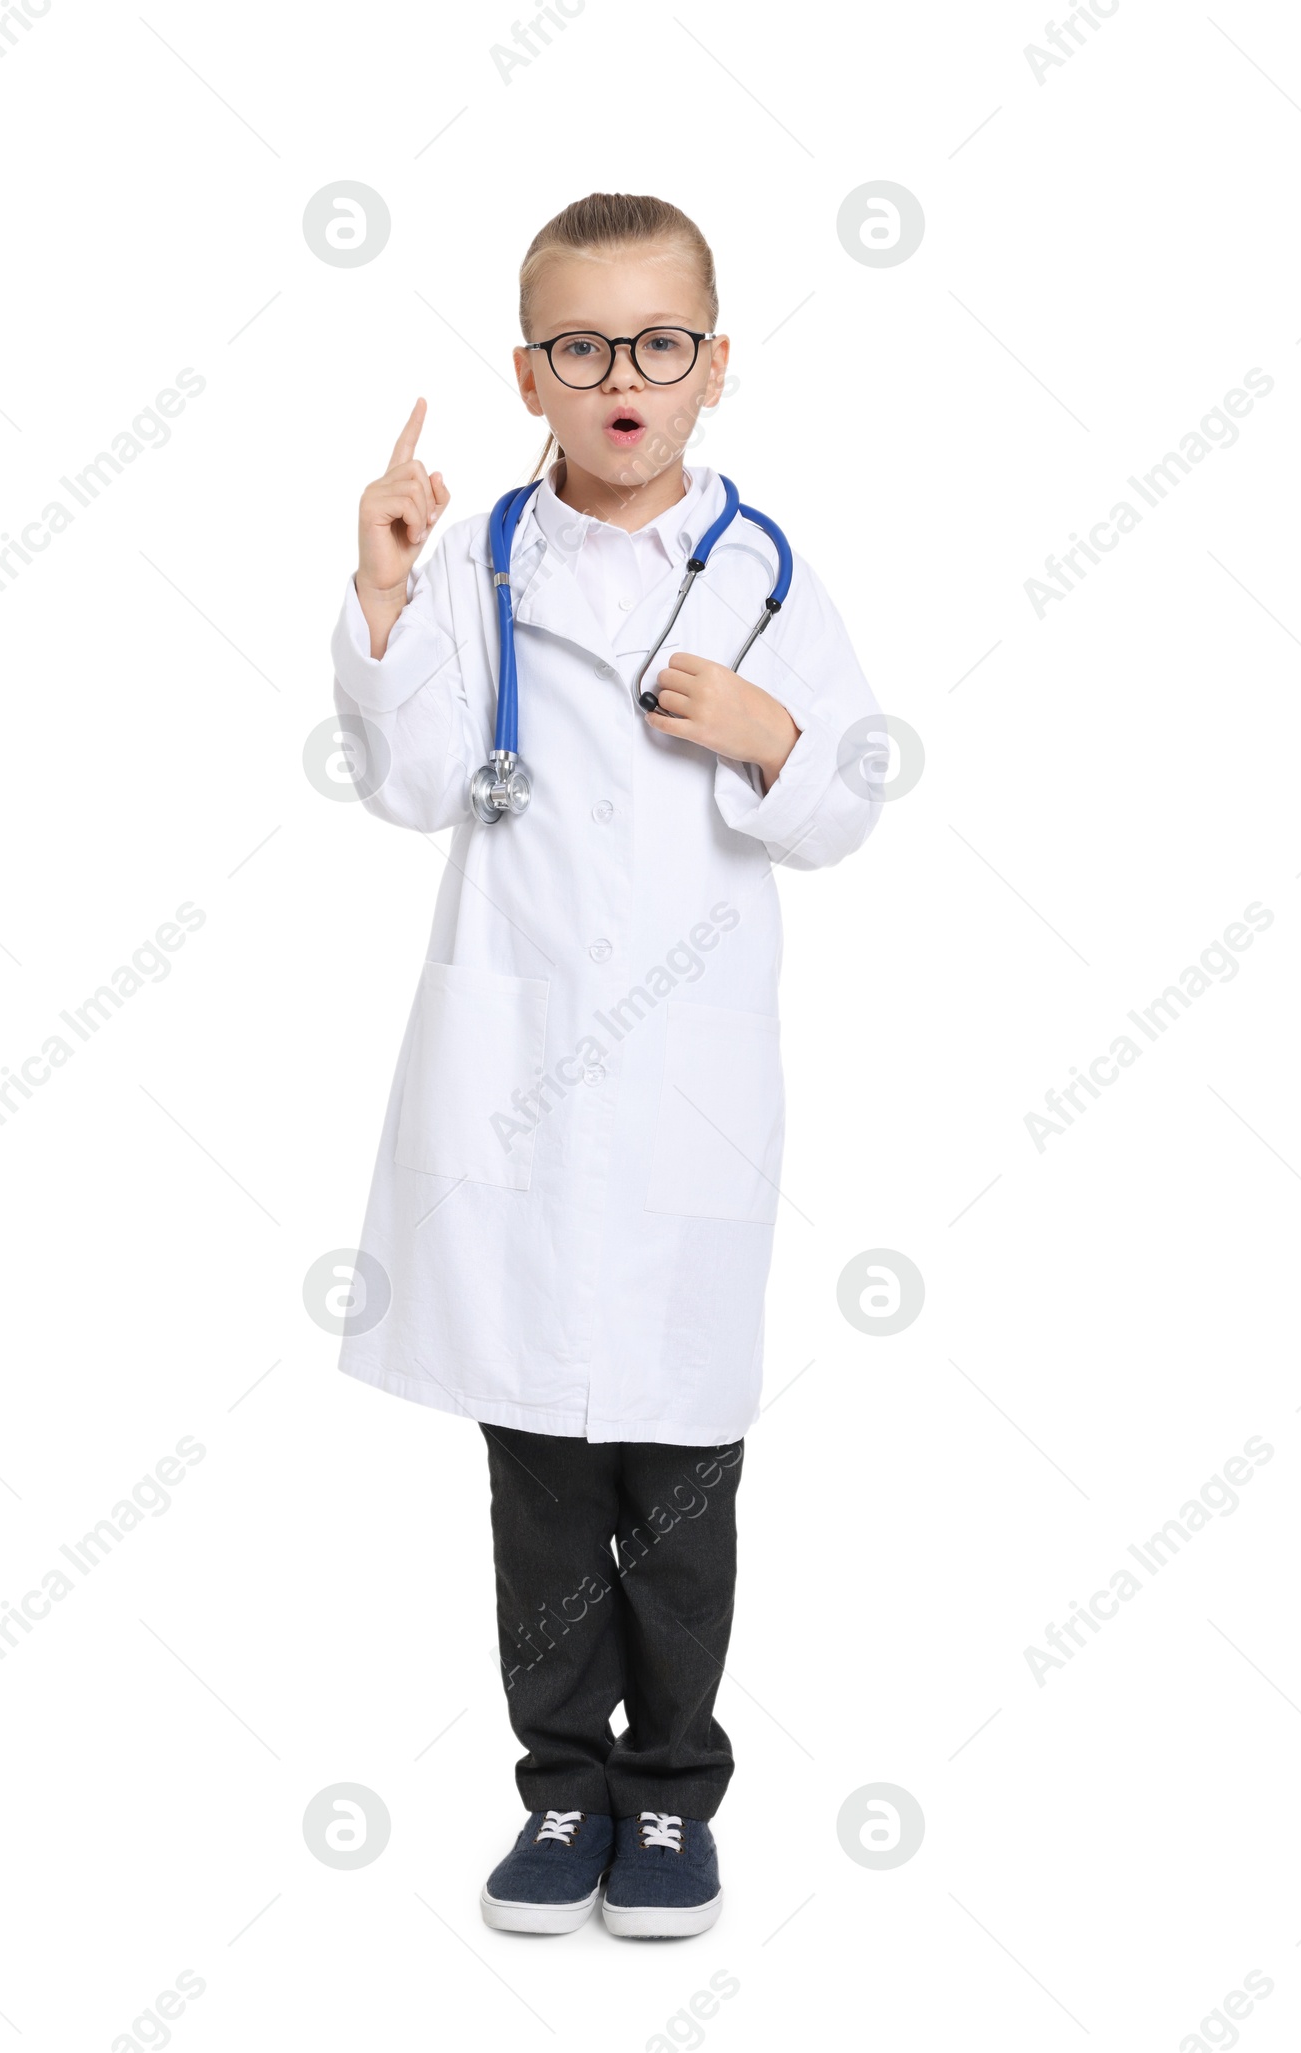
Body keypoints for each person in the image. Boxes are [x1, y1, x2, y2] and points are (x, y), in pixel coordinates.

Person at [330, 191, 885, 1938]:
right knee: (544, 1472)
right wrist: (384, 587)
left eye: (656, 344)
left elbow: (849, 801)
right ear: (529, 376)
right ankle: (560, 1789)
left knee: (681, 1470)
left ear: (714, 369)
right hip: (515, 1083)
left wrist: (770, 733)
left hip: (688, 1099)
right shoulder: (485, 565)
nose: (619, 377)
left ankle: (670, 1799)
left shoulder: (767, 579)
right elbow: (414, 782)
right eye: (580, 348)